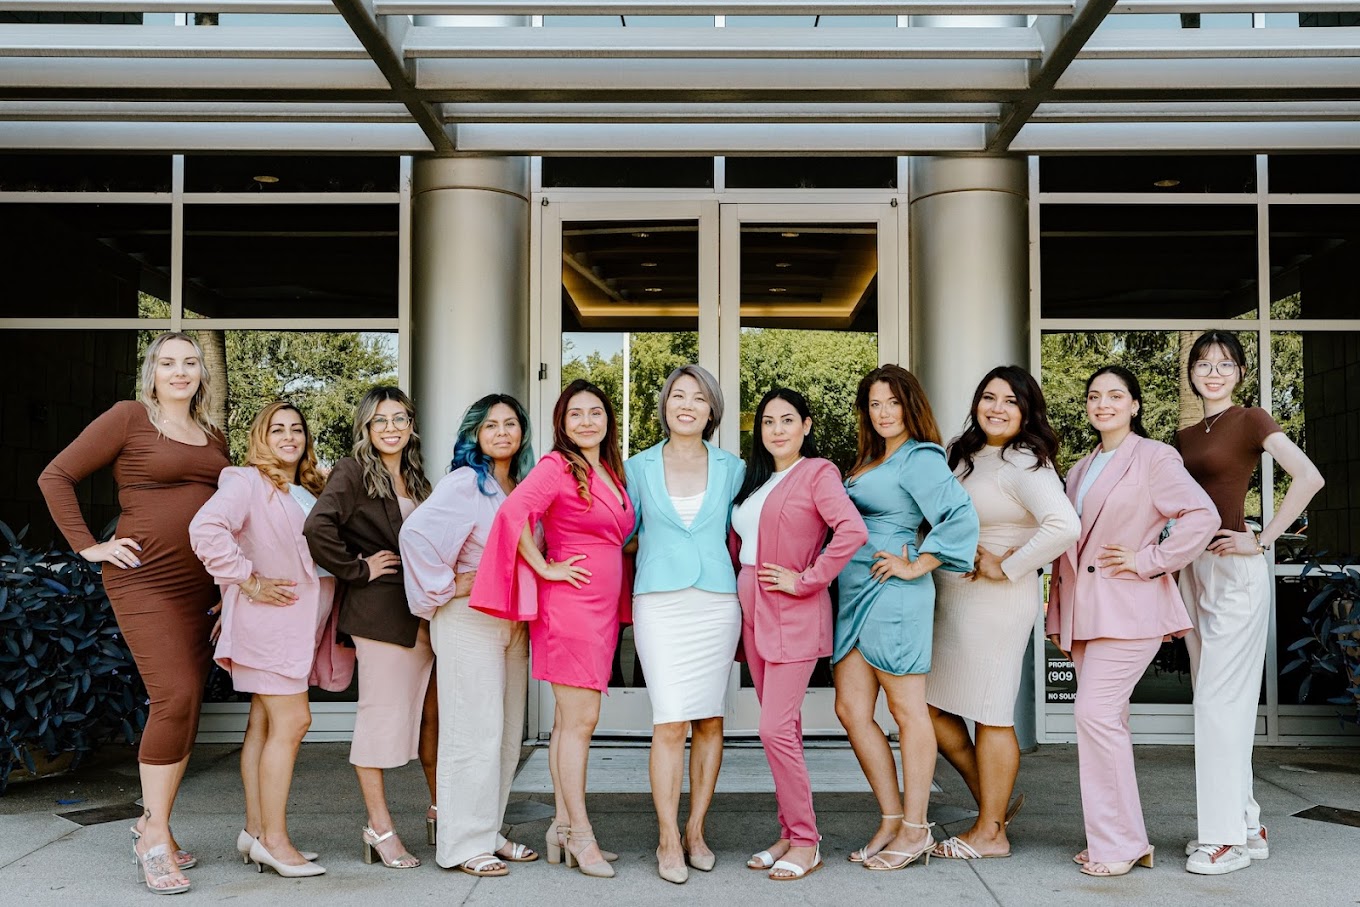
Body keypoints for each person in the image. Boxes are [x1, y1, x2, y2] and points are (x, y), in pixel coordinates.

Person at [39, 331, 230, 896]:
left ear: (202, 373)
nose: (180, 371)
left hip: (202, 588)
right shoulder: (129, 418)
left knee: (189, 699)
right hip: (145, 581)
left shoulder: (213, 434)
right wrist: (86, 545)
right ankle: (153, 835)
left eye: (190, 362)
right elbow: (56, 476)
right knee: (173, 696)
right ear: (151, 372)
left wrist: (230, 586)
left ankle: (154, 824)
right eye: (168, 362)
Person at [1047, 365, 1218, 878]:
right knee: (1107, 721)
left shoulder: (1155, 457)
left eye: (1115, 395)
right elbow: (1065, 553)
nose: (1104, 404)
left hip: (1132, 609)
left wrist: (1149, 559)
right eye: (1094, 395)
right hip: (1086, 614)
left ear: (1135, 405)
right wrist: (1059, 617)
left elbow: (1202, 515)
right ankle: (1121, 839)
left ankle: (1118, 842)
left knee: (1093, 716)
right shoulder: (1079, 469)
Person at [470, 379, 635, 880]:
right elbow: (513, 511)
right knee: (579, 723)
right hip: (571, 608)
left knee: (570, 723)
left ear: (608, 420)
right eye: (576, 414)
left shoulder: (608, 469)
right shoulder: (556, 466)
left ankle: (561, 828)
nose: (587, 421)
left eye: (596, 412)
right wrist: (544, 567)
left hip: (600, 610)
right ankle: (580, 835)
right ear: (562, 423)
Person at [1176, 331, 1324, 875]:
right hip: (1193, 570)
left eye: (1225, 364)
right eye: (1203, 363)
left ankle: (1225, 841)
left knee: (1220, 703)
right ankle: (1245, 823)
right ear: (1191, 372)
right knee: (1214, 704)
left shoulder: (1252, 419)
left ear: (1239, 371)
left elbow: (1309, 476)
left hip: (1236, 569)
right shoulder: (1186, 434)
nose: (1213, 372)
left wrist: (1262, 541)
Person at [189, 402, 354, 878]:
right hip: (271, 620)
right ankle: (276, 843)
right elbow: (206, 529)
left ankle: (255, 831)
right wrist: (246, 580)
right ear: (260, 436)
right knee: (294, 720)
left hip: (302, 624)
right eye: (276, 429)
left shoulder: (309, 487)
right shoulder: (245, 482)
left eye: (296, 429)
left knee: (263, 724)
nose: (288, 437)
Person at [927, 366, 1080, 860]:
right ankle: (992, 806)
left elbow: (1063, 526)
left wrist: (1008, 565)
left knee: (991, 714)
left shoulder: (1025, 462)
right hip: (951, 598)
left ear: (1026, 411)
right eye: (988, 397)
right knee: (930, 707)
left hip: (997, 603)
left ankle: (990, 832)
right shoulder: (964, 454)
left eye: (1010, 401)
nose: (996, 407)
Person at [834, 364, 979, 872]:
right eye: (874, 404)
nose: (883, 413)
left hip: (894, 594)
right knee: (851, 710)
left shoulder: (919, 458)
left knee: (907, 712)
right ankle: (892, 816)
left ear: (910, 405)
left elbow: (960, 516)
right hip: (854, 593)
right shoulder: (873, 458)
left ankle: (916, 829)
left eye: (892, 402)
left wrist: (916, 563)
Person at [400, 394, 542, 877]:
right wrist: (448, 585)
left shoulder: (520, 484)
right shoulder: (465, 483)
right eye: (491, 425)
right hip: (469, 619)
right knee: (471, 731)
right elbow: (415, 535)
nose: (502, 432)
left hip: (513, 621)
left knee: (504, 734)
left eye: (510, 424)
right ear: (475, 435)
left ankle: (487, 830)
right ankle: (460, 844)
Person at [732, 388, 867, 882]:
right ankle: (789, 832)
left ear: (806, 425)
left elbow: (851, 531)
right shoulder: (759, 480)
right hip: (753, 608)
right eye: (768, 421)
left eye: (788, 420)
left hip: (792, 610)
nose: (777, 430)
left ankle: (807, 840)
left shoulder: (817, 472)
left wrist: (807, 578)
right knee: (780, 731)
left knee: (773, 728)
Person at [303, 386, 434, 870]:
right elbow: (317, 527)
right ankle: (380, 829)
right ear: (365, 428)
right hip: (380, 616)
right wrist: (357, 569)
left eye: (399, 418)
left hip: (421, 616)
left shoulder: (417, 476)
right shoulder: (353, 471)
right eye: (380, 421)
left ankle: (439, 814)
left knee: (423, 722)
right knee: (380, 720)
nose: (391, 428)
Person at [623, 365, 744, 884]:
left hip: (716, 602)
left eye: (698, 397)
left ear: (712, 409)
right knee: (670, 720)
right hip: (660, 603)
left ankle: (696, 829)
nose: (687, 404)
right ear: (665, 405)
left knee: (710, 719)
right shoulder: (637, 466)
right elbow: (621, 530)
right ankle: (667, 837)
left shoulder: (734, 467)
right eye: (678, 395)